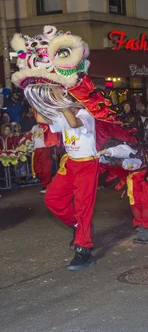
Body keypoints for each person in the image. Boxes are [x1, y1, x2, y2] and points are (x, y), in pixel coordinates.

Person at [38, 106, 99, 270]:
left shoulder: (87, 115)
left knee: (83, 207)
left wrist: (62, 105)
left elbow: (73, 123)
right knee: (52, 198)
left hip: (87, 164)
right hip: (70, 163)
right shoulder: (63, 112)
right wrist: (37, 97)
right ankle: (78, 225)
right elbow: (41, 119)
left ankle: (84, 250)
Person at [99, 141, 148, 243]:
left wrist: (107, 151)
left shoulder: (126, 148)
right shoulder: (113, 156)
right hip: (134, 176)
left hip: (147, 175)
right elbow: (102, 159)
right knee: (135, 202)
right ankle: (140, 225)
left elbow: (120, 151)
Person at [31, 123, 53, 193]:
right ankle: (46, 182)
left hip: (44, 148)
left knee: (46, 168)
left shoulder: (47, 127)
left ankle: (46, 185)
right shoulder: (34, 127)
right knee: (37, 169)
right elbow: (30, 136)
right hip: (36, 150)